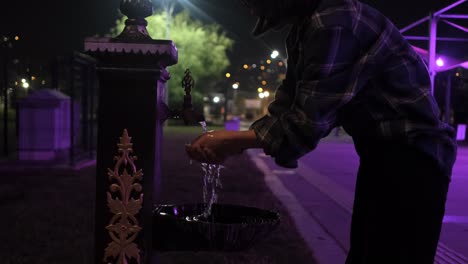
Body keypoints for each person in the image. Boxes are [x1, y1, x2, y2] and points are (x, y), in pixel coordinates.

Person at [185, 0, 457, 263]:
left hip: (414, 158)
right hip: (384, 155)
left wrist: (234, 141)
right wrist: (234, 143)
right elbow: (286, 108)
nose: (245, 4)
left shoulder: (333, 22)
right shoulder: (306, 29)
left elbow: (306, 124)